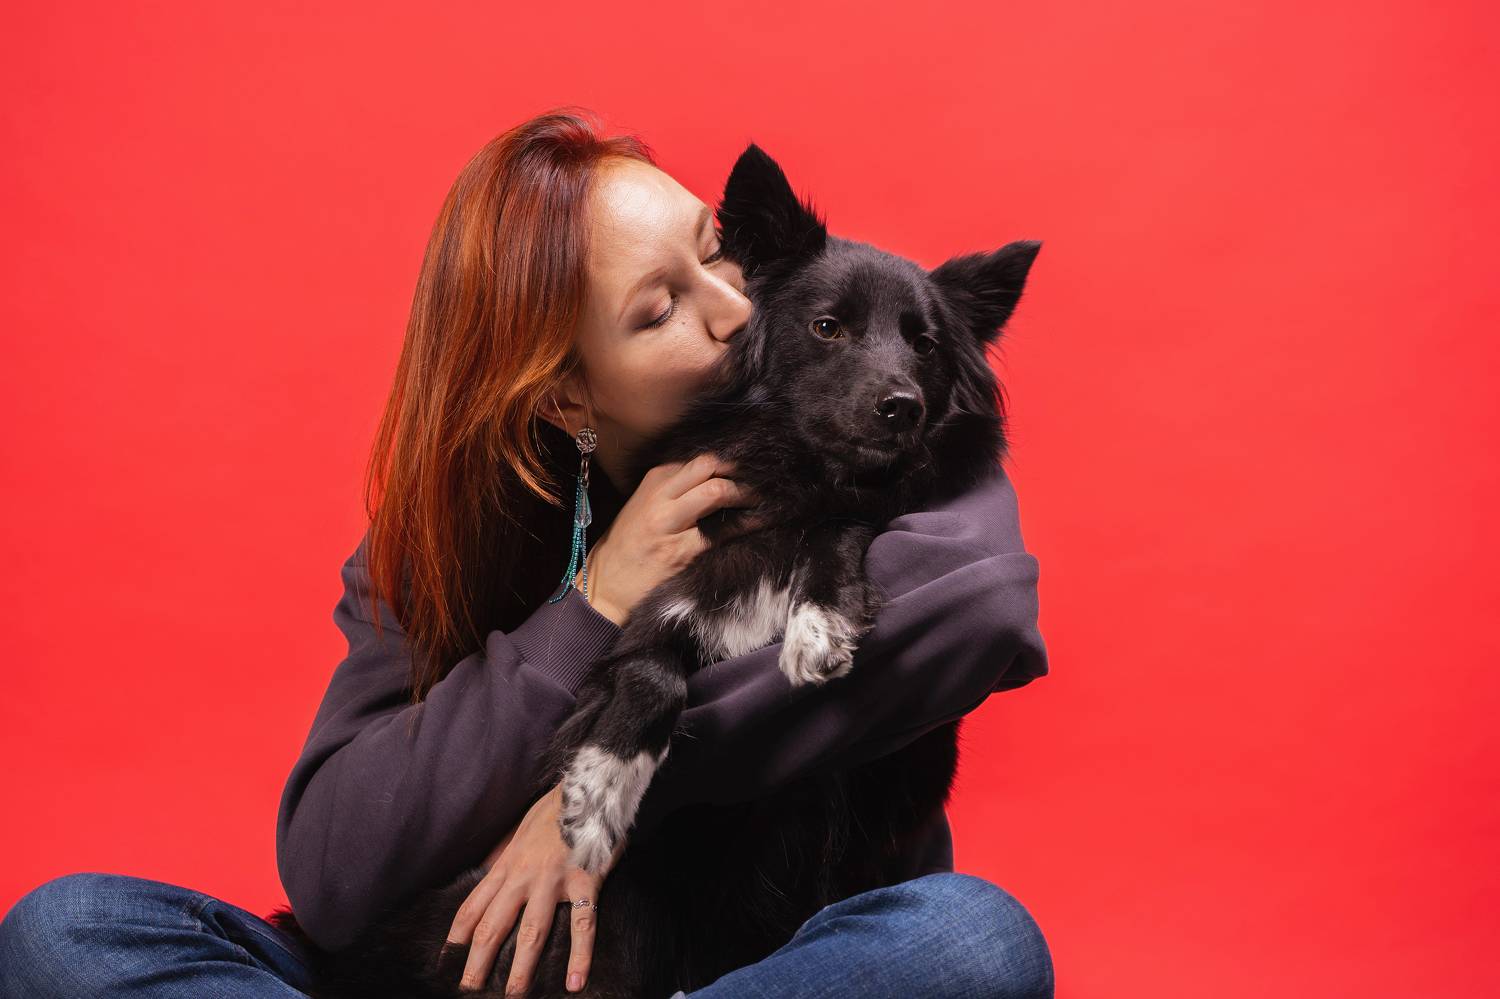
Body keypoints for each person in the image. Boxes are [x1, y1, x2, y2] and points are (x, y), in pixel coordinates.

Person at [0, 108, 1054, 999]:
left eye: (714, 248)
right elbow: (332, 867)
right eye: (660, 308)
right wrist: (593, 606)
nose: (737, 307)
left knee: (970, 940)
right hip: (453, 967)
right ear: (568, 396)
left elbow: (980, 606)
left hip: (748, 965)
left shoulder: (887, 432)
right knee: (69, 930)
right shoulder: (456, 529)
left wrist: (593, 792)